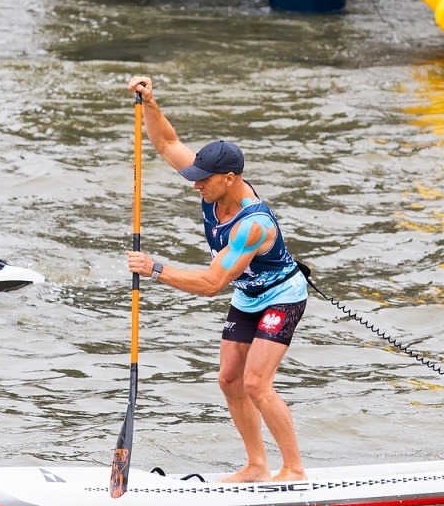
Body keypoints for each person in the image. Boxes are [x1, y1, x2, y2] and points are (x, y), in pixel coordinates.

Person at [123, 75, 310, 483]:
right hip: (248, 296)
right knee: (229, 380)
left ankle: (293, 470)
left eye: (203, 179)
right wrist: (150, 103)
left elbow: (211, 284)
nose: (195, 185)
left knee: (257, 383)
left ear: (230, 178)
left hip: (281, 295)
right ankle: (256, 465)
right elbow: (167, 145)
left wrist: (155, 269)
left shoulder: (252, 226)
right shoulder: (212, 187)